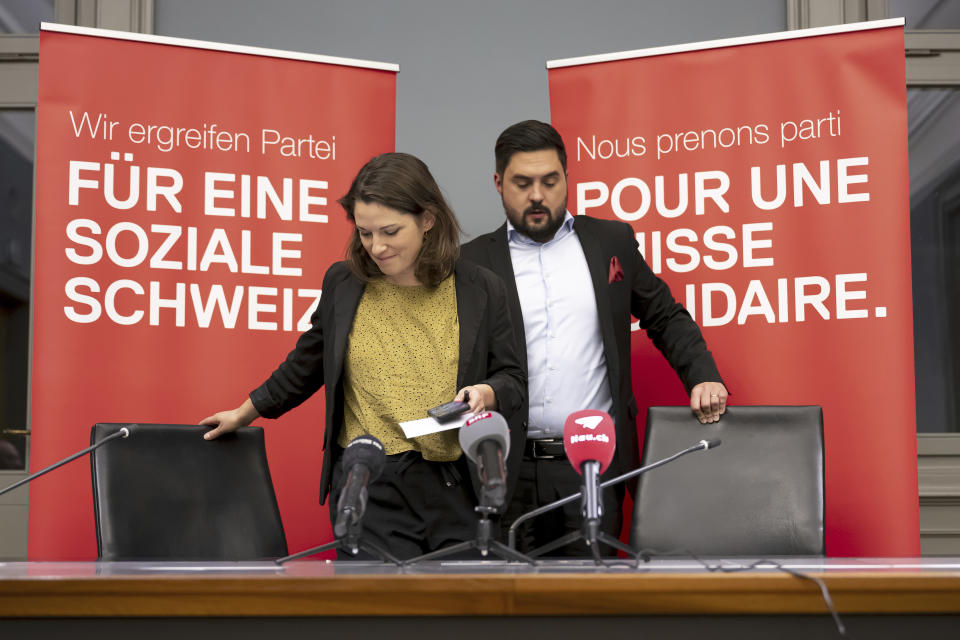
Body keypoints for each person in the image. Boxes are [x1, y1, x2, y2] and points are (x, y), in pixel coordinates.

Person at [202, 152, 525, 560]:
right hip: (370, 483)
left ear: (428, 219)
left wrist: (486, 393)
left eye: (390, 231)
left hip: (456, 487)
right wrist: (245, 412)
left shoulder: (481, 288)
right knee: (378, 618)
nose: (377, 246)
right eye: (365, 233)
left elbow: (513, 379)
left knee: (457, 619)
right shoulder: (344, 283)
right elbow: (307, 361)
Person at [460, 120, 727, 556]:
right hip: (501, 470)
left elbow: (665, 315)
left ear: (567, 176)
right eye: (522, 183)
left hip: (593, 468)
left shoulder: (610, 242)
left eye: (550, 181)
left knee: (590, 614)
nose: (537, 196)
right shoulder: (471, 264)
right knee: (505, 614)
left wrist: (702, 376)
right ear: (498, 183)